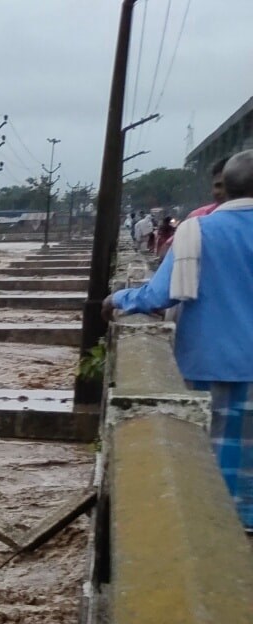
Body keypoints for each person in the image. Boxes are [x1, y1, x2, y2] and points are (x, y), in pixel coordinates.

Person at [106, 149, 253, 530]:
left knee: (212, 452)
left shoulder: (198, 230)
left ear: (223, 190)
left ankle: (216, 528)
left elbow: (158, 296)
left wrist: (119, 298)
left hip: (209, 361)